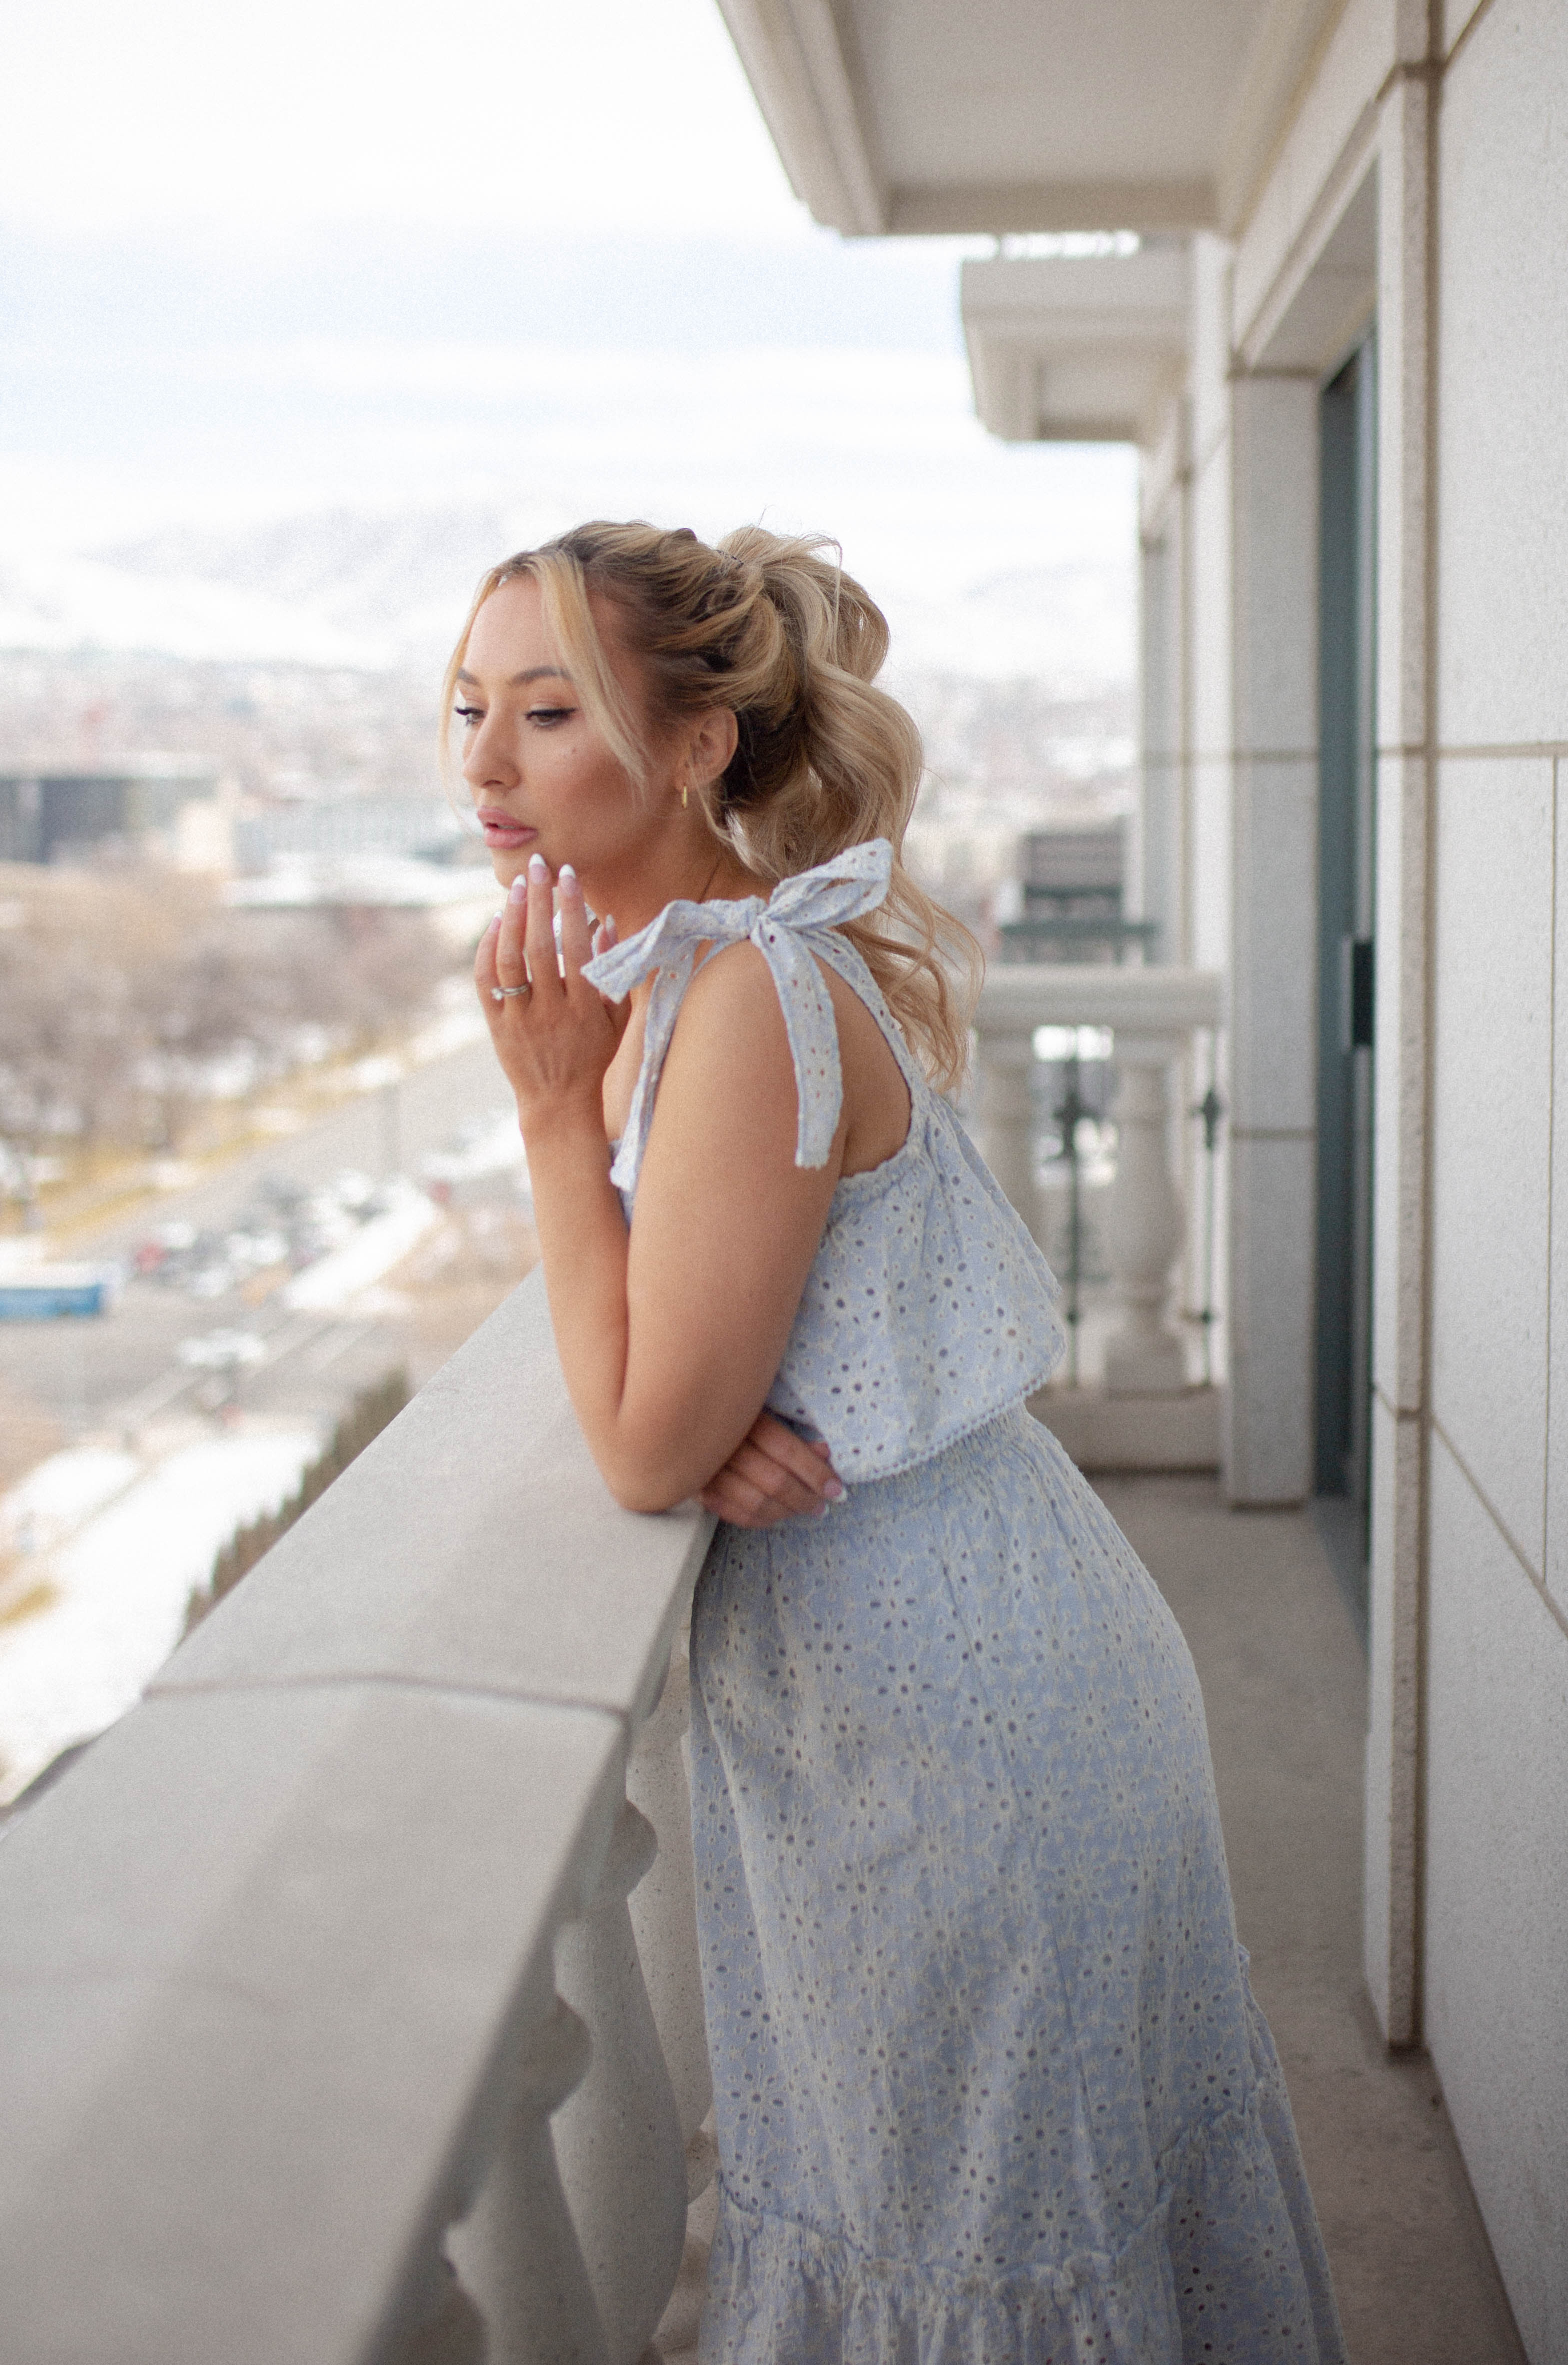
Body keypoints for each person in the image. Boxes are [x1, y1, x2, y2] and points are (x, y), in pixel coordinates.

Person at [453, 521, 1346, 2365]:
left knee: (978, 2229)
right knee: (924, 2210)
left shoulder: (740, 1005)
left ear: (696, 744)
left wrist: (550, 1124)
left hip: (961, 1718)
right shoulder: (673, 989)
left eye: (548, 711)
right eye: (470, 709)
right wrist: (705, 1418)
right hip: (893, 1680)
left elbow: (630, 1435)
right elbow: (658, 1391)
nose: (484, 763)